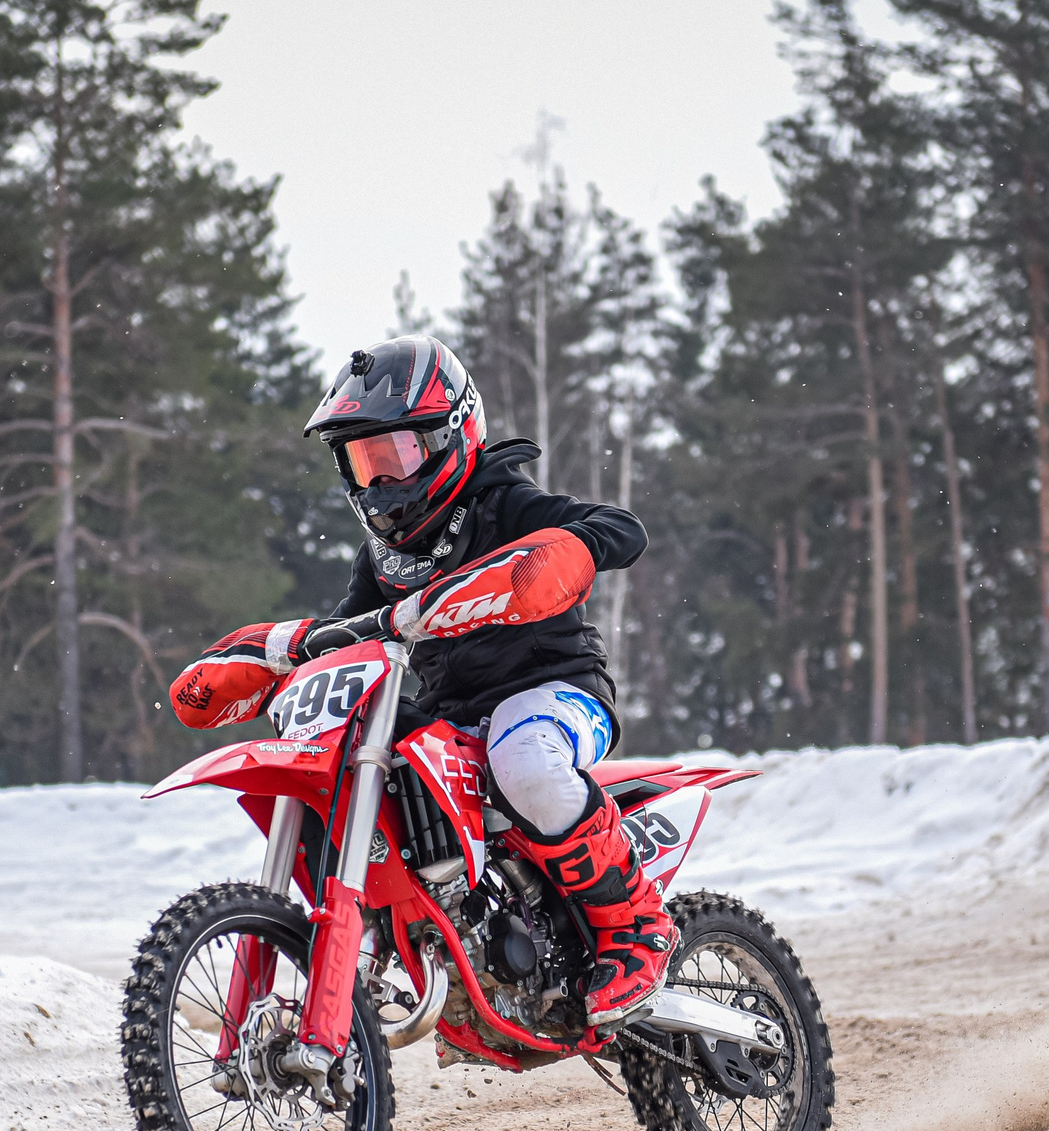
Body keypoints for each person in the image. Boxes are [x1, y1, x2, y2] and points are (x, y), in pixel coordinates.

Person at [168, 334, 672, 1086]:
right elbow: (350, 636)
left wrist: (562, 552)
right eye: (365, 462)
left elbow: (621, 529)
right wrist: (277, 658)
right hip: (452, 718)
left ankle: (637, 928)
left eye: (395, 455)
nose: (381, 479)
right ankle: (397, 961)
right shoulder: (382, 563)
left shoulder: (504, 504)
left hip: (554, 694)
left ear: (450, 435)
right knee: (368, 774)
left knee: (524, 755)